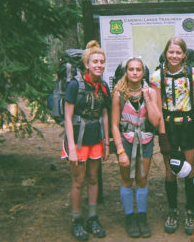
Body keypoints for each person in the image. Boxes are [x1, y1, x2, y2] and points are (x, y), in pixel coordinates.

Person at [150, 36, 194, 235]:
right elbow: (157, 108)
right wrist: (163, 135)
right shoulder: (157, 76)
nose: (174, 56)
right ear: (166, 53)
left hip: (188, 124)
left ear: (184, 55)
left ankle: (190, 211)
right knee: (170, 170)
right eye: (171, 52)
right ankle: (172, 210)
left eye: (178, 53)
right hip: (168, 125)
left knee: (189, 169)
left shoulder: (193, 74)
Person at [61, 40, 110, 241]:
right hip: (79, 140)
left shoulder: (104, 86)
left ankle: (92, 217)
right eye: (95, 61)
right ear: (87, 64)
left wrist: (107, 142)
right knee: (78, 180)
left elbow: (105, 114)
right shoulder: (75, 85)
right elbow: (68, 116)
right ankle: (76, 219)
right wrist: (71, 147)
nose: (99, 65)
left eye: (102, 61)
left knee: (93, 178)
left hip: (96, 138)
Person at [111, 57, 161, 238]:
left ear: (143, 72)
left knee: (142, 178)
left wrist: (147, 97)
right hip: (126, 140)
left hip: (145, 139)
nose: (134, 73)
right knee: (126, 179)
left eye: (138, 69)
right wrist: (120, 150)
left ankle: (142, 216)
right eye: (131, 69)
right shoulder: (118, 93)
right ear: (126, 72)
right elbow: (115, 125)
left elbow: (155, 120)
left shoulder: (150, 92)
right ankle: (129, 216)